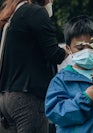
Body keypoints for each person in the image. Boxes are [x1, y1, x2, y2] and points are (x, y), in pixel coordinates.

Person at [0, 0, 67, 133]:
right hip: (27, 97)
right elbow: (54, 54)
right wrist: (68, 51)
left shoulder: (12, 15)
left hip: (5, 98)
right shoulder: (35, 12)